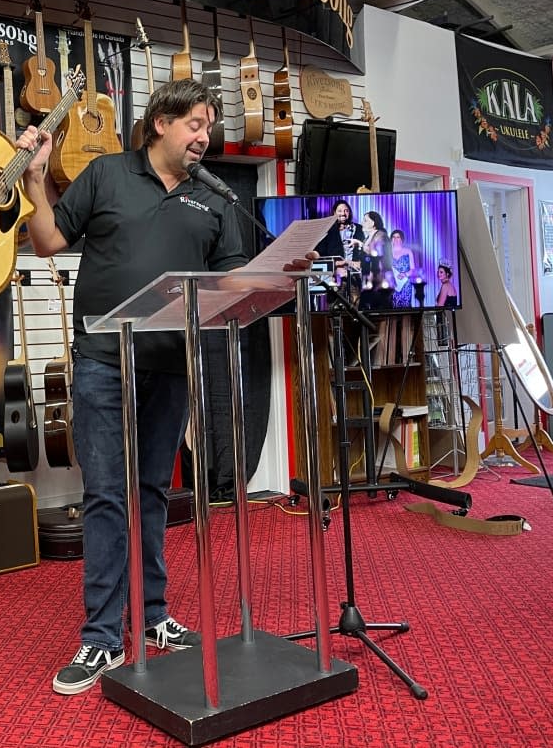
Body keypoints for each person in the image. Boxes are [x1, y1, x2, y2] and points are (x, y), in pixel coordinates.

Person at [18, 78, 312, 697]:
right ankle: (101, 638)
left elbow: (234, 284)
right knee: (106, 495)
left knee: (152, 492)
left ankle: (152, 616)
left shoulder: (216, 199)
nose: (206, 137)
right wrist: (35, 178)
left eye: (209, 126)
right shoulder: (105, 174)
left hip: (173, 365)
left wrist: (278, 269)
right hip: (103, 359)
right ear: (160, 123)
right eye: (196, 125)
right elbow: (46, 240)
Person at [316, 199, 364, 266]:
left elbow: (365, 249)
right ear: (334, 213)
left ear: (349, 212)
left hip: (355, 269)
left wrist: (360, 263)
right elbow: (321, 251)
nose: (343, 213)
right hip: (336, 270)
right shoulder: (328, 230)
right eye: (340, 211)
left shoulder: (359, 228)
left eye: (346, 211)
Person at [389, 229, 416, 308]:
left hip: (405, 285)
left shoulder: (408, 251)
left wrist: (405, 274)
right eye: (393, 237)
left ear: (402, 239)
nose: (396, 239)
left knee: (406, 311)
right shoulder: (388, 252)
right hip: (393, 285)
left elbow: (413, 270)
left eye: (398, 237)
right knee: (393, 310)